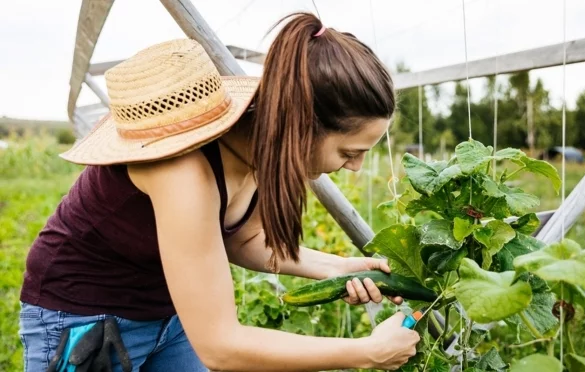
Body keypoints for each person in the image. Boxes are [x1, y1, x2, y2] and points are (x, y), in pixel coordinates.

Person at [18, 12, 421, 372]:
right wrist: (367, 352)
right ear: (301, 127)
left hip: (169, 316)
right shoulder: (185, 172)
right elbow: (221, 347)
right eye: (350, 152)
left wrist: (338, 267)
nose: (355, 167)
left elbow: (246, 239)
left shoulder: (259, 147)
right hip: (83, 315)